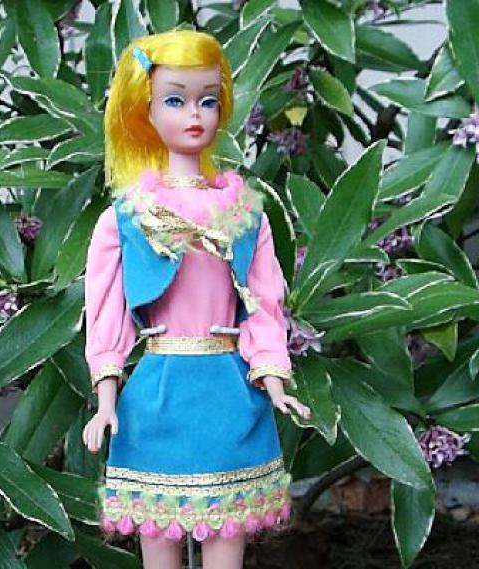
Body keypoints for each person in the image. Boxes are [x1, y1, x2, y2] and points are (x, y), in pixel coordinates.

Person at [82, 29, 311, 569]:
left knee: (226, 538)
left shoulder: (245, 214)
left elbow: (264, 302)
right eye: (175, 100)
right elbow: (106, 309)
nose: (194, 114)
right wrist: (107, 399)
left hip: (229, 392)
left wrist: (274, 380)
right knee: (158, 539)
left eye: (207, 100)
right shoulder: (128, 216)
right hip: (156, 394)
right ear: (144, 108)